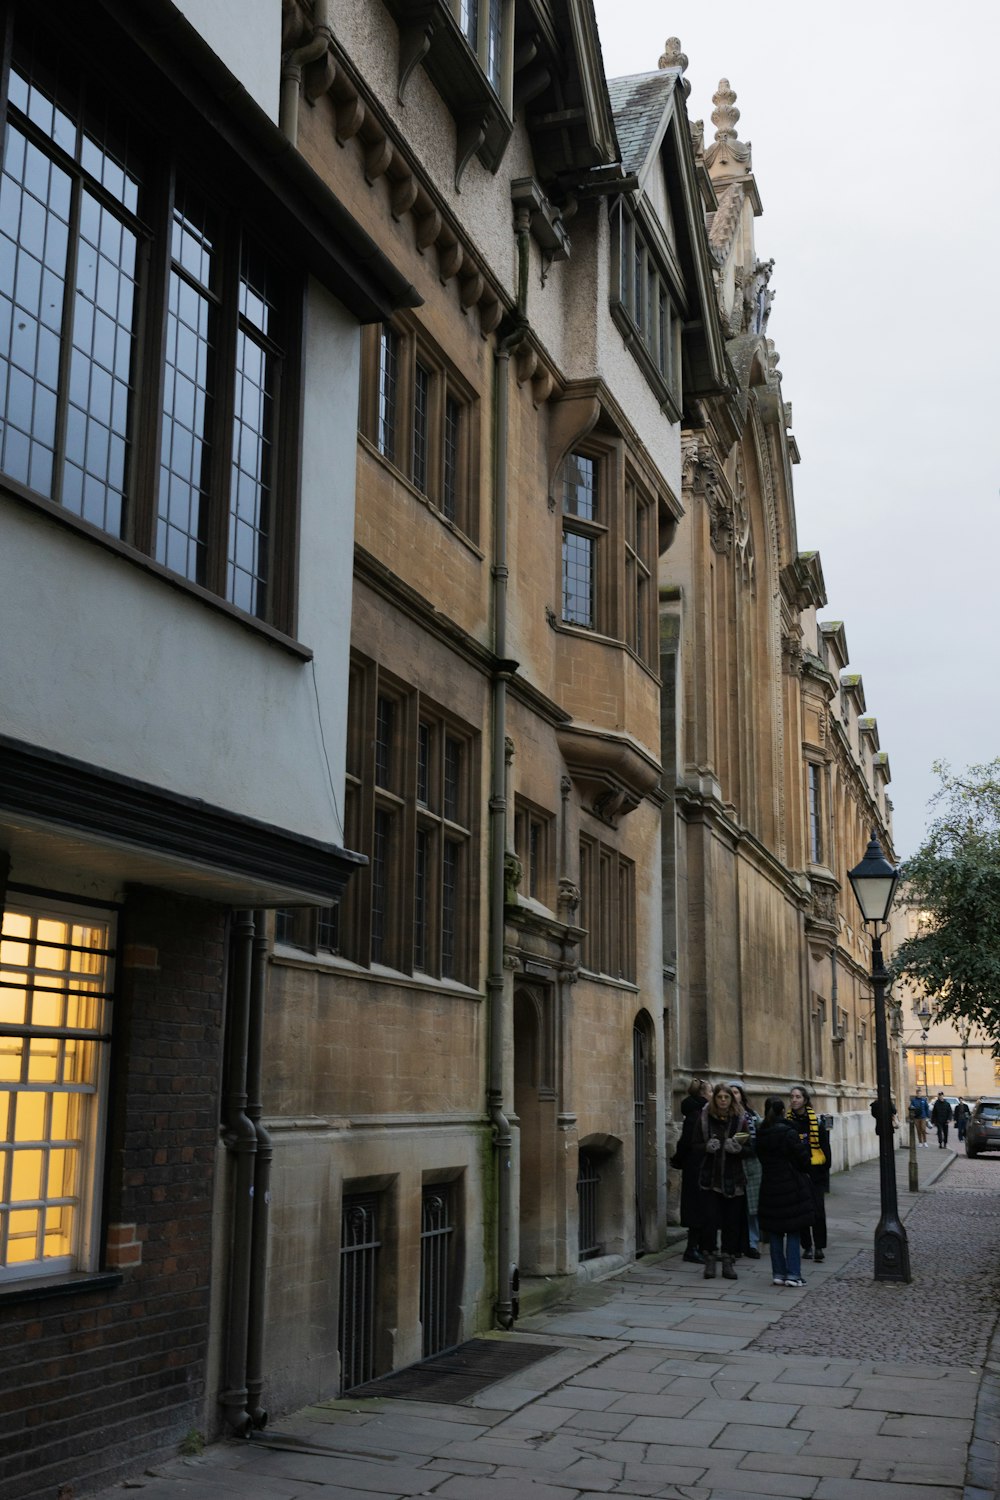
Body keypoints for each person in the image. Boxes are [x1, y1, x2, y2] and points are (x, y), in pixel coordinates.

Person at [689, 1082, 751, 1280]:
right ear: (714, 1099)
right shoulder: (705, 1119)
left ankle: (727, 1260)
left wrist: (738, 1148)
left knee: (731, 1223)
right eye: (720, 1097)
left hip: (734, 1180)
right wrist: (706, 1147)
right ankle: (709, 1259)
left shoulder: (740, 1120)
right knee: (710, 1221)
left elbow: (750, 1147)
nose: (723, 1100)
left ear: (731, 1100)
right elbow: (695, 1145)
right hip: (710, 1179)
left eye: (727, 1097)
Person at [756, 1096, 814, 1287]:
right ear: (782, 1111)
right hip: (790, 1186)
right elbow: (804, 1160)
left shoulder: (761, 1134)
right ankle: (793, 1274)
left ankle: (778, 1273)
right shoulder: (789, 1133)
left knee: (775, 1232)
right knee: (792, 1230)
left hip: (769, 1186)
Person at [788, 1085, 830, 1262]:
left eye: (797, 1097)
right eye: (792, 1097)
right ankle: (807, 1246)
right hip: (797, 1174)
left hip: (815, 1174)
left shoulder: (816, 1123)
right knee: (801, 1212)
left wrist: (821, 1173)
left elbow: (826, 1150)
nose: (794, 1100)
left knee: (818, 1211)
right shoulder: (788, 1123)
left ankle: (819, 1246)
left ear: (805, 1100)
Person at [672, 1077, 711, 1263]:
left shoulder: (701, 1113)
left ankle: (702, 1247)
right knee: (697, 1208)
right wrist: (679, 1160)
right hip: (696, 1166)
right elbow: (686, 1142)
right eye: (711, 1092)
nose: (713, 1095)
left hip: (698, 1165)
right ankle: (692, 1249)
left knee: (702, 1207)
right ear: (703, 1094)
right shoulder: (698, 1115)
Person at [728, 1083, 762, 1259]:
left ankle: (752, 1243)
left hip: (751, 1164)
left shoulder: (752, 1116)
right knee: (734, 1208)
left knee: (752, 1208)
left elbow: (760, 1138)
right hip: (733, 1164)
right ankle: (735, 1244)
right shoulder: (726, 1116)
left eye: (736, 1092)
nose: (733, 1096)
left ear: (742, 1095)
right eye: (730, 1093)